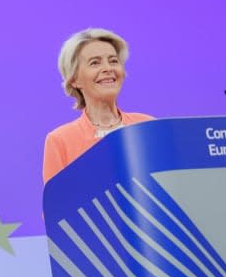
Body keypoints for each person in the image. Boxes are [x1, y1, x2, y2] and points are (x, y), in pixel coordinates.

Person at [43, 28, 154, 183]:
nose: (108, 69)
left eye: (113, 61)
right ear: (74, 79)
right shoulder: (60, 141)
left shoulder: (148, 126)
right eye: (95, 63)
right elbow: (56, 205)